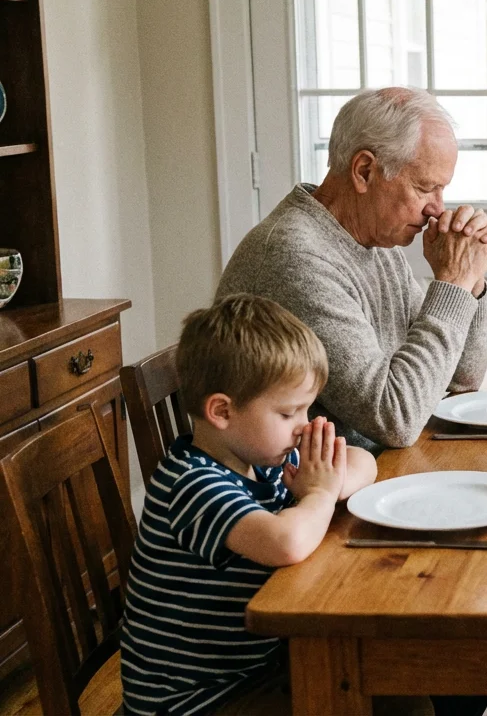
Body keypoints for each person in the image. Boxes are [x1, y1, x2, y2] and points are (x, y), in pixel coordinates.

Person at [120, 294, 379, 714]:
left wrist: (327, 480)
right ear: (222, 411)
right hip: (198, 699)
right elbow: (286, 543)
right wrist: (320, 493)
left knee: (390, 687)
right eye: (289, 412)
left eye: (307, 408)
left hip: (253, 668)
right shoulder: (192, 484)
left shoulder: (261, 456)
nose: (304, 426)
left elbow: (364, 461)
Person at [218, 87, 487, 455]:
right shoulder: (295, 257)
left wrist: (469, 280)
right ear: (364, 171)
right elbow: (396, 419)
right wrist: (452, 284)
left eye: (442, 190)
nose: (437, 209)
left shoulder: (372, 240)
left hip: (366, 469)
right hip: (298, 497)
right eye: (424, 188)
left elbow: (462, 377)